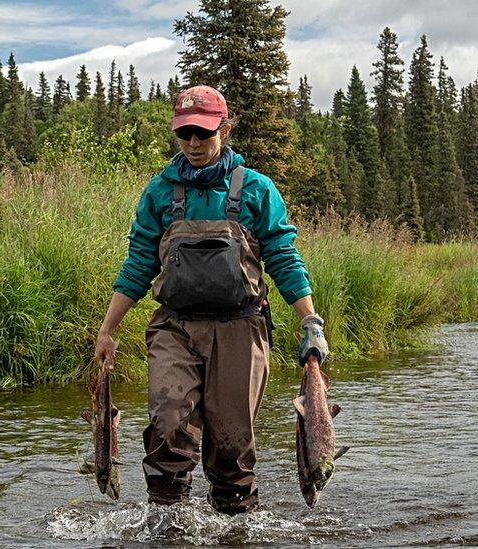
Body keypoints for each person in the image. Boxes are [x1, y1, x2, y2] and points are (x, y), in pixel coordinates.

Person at [92, 84, 328, 515]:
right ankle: (167, 528)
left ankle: (235, 529)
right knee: (167, 428)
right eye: (185, 134)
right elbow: (138, 264)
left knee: (230, 447)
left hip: (242, 328)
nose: (194, 143)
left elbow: (283, 257)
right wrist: (107, 330)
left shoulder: (256, 190)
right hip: (174, 328)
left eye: (204, 133)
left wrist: (310, 321)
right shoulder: (160, 192)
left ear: (225, 128)